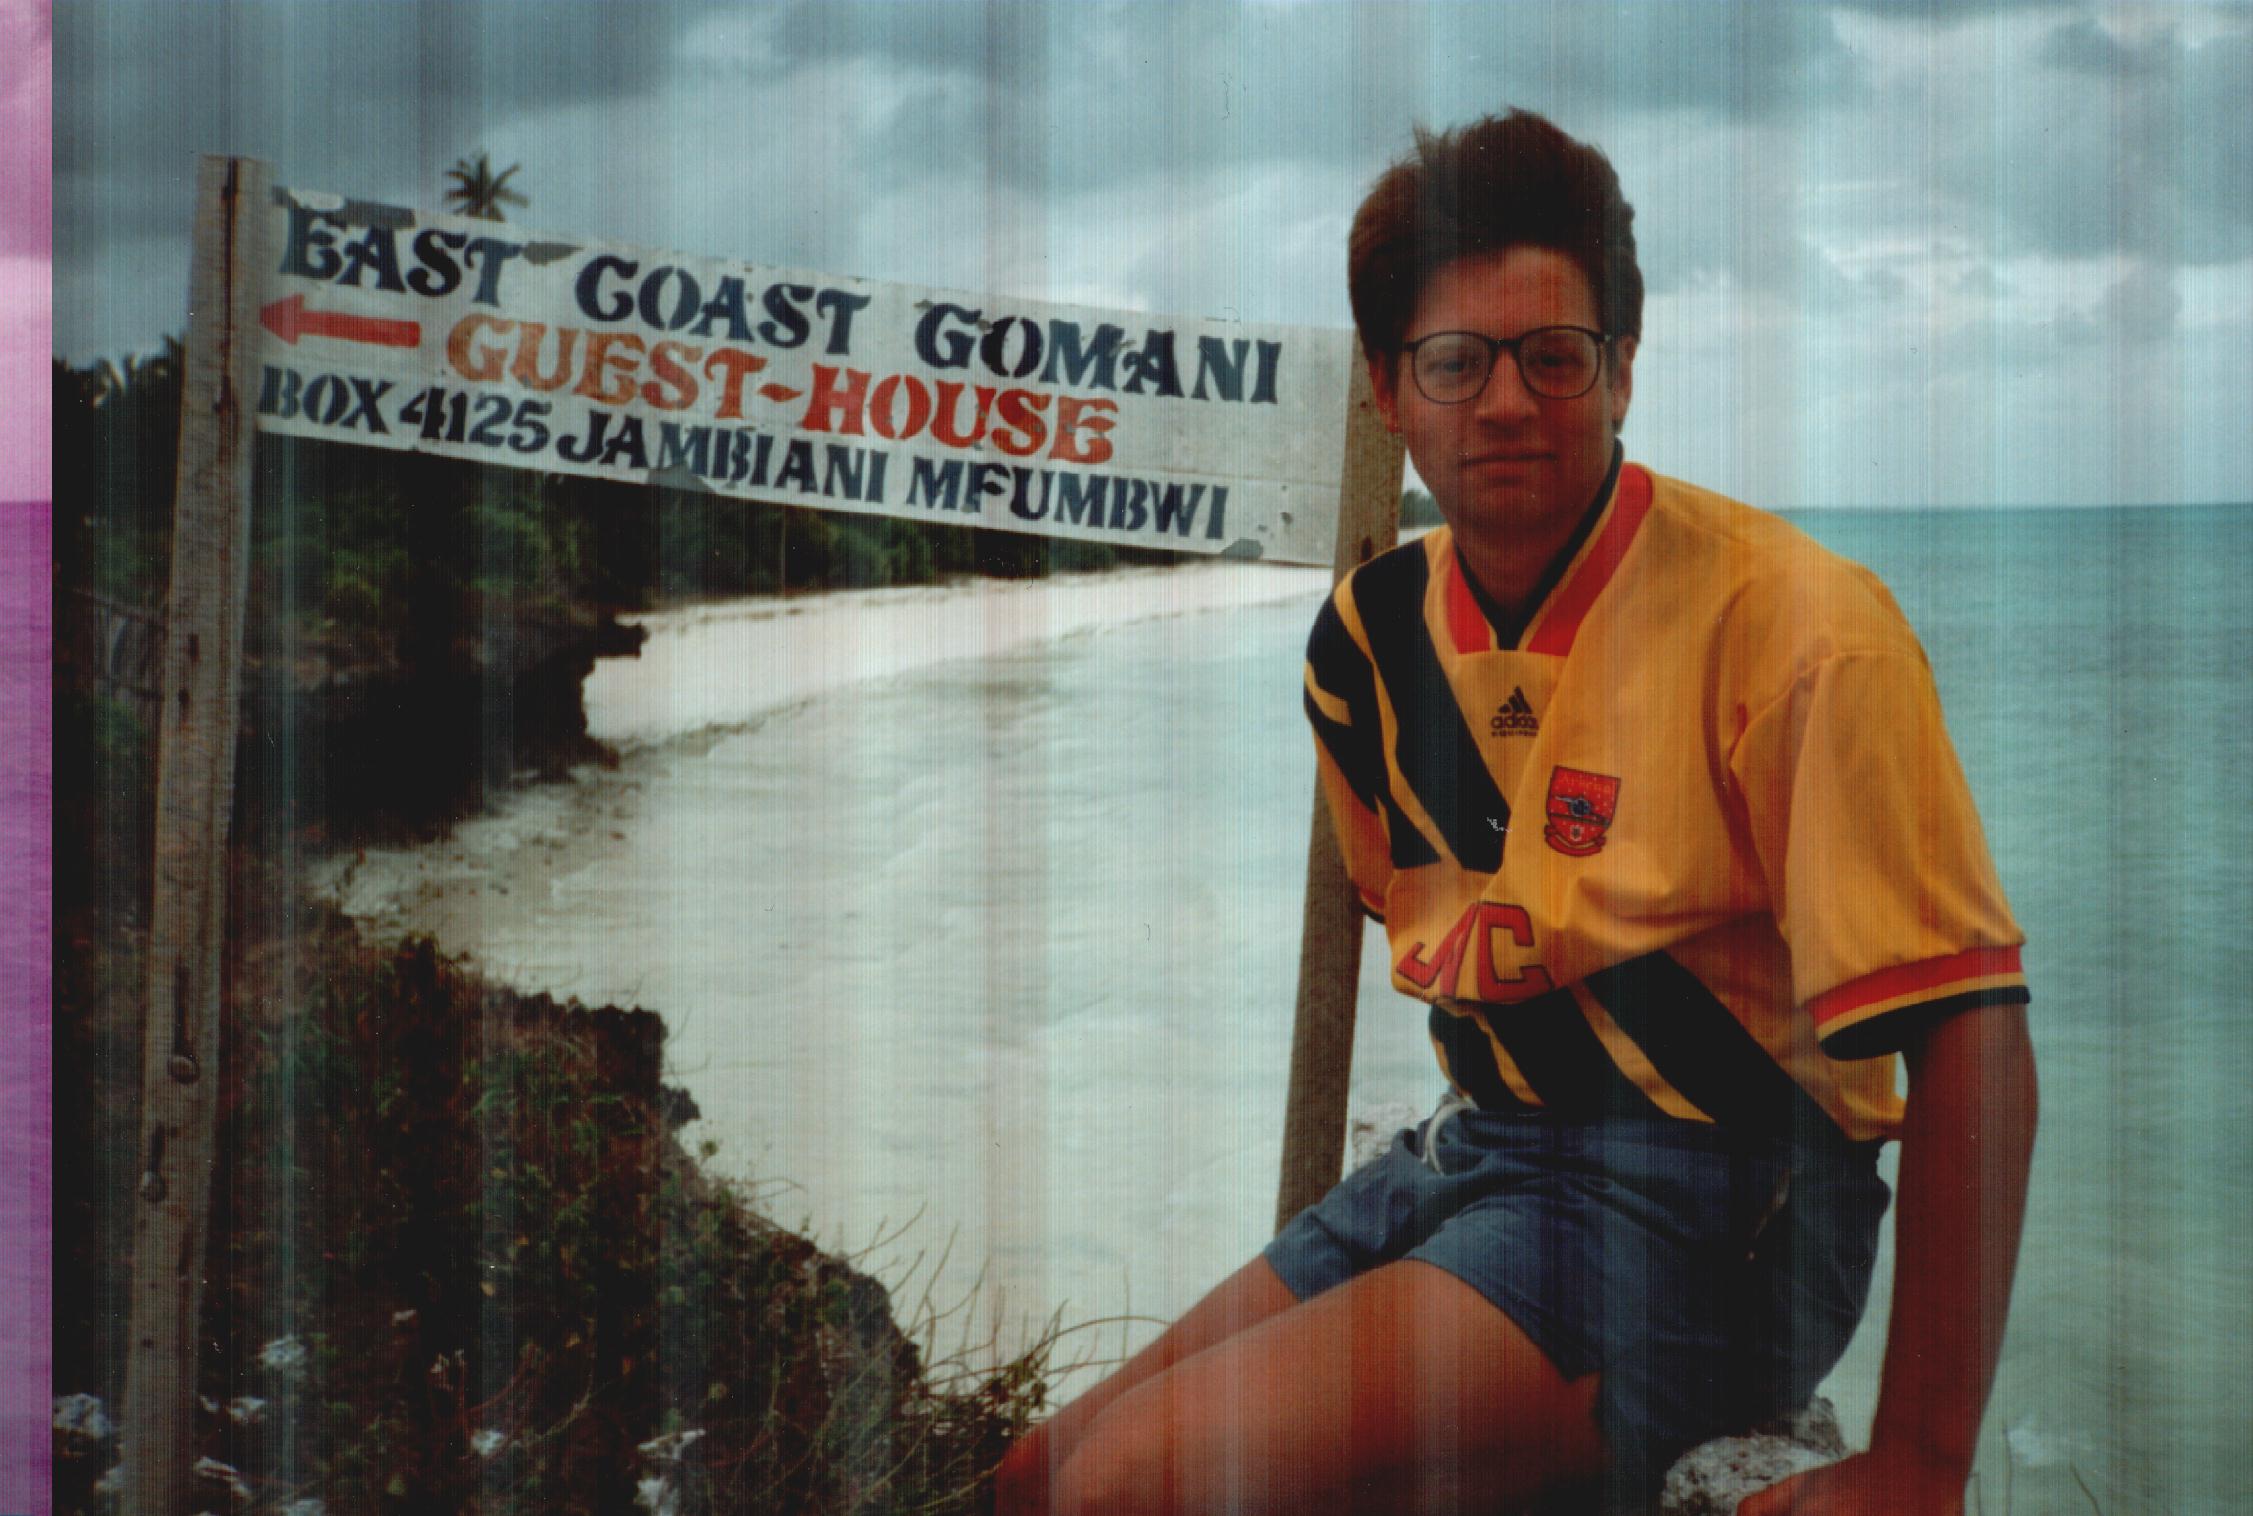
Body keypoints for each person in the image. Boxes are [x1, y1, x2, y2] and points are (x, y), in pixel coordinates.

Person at [995, 109, 2036, 1516]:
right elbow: (1448, 926)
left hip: (1721, 1200)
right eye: (1453, 361)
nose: (1503, 404)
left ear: (1621, 369)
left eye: (1553, 355)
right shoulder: (1368, 641)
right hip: (1481, 1146)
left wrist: (1919, 1462)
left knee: (1137, 1487)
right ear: (1387, 388)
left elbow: (1970, 1031)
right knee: (1035, 1479)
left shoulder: (1795, 630)